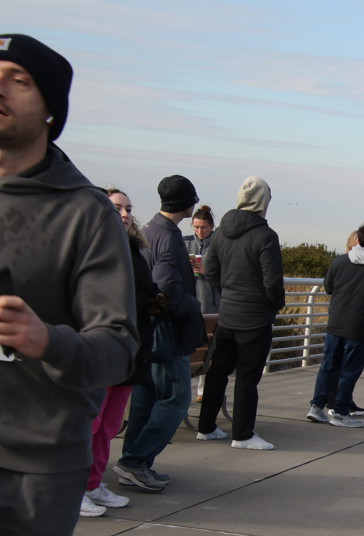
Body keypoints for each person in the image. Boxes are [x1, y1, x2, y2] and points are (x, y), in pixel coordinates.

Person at [0, 34, 139, 536]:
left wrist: (44, 339)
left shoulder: (86, 212)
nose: (0, 87)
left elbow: (117, 348)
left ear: (51, 108)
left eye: (19, 79)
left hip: (36, 465)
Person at [114, 174, 205, 492]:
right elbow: (165, 285)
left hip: (148, 332)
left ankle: (132, 462)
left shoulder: (150, 231)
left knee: (146, 399)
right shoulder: (167, 237)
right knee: (177, 398)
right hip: (168, 333)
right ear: (187, 203)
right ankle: (135, 461)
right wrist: (191, 304)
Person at [81, 189, 161, 518]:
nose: (125, 214)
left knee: (110, 424)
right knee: (91, 423)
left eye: (128, 208)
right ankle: (73, 488)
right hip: (100, 347)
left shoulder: (134, 249)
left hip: (130, 348)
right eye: (117, 208)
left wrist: (156, 299)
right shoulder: (91, 246)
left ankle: (92, 483)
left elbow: (141, 290)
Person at [196, 177, 284, 449]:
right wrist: (274, 304)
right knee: (247, 377)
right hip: (254, 319)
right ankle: (243, 435)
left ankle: (206, 427)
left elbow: (210, 270)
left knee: (217, 372)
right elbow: (272, 281)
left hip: (227, 315)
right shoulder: (266, 236)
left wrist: (228, 292)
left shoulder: (221, 232)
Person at [307, 222, 364, 426]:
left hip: (336, 323)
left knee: (328, 366)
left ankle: (317, 407)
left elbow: (328, 287)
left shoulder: (340, 261)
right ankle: (341, 412)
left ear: (357, 240)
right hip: (362, 325)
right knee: (349, 371)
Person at [184, 204, 221, 315]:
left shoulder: (219, 244)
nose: (200, 231)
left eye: (204, 228)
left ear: (212, 226)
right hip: (190, 304)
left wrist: (209, 272)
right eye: (196, 227)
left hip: (214, 306)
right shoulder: (185, 243)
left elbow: (230, 274)